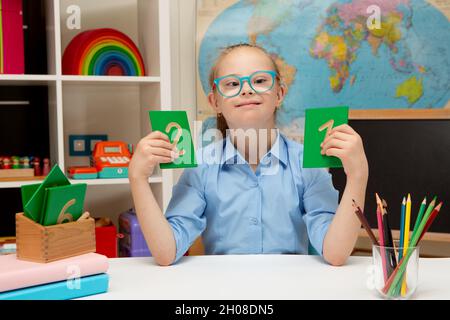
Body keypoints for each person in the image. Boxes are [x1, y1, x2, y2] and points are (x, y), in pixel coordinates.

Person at [129, 43, 369, 266]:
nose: (246, 89)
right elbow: (166, 252)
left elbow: (336, 254)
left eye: (260, 80)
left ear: (279, 94)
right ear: (215, 102)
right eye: (232, 84)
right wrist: (137, 178)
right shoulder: (201, 166)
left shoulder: (307, 165)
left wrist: (358, 175)